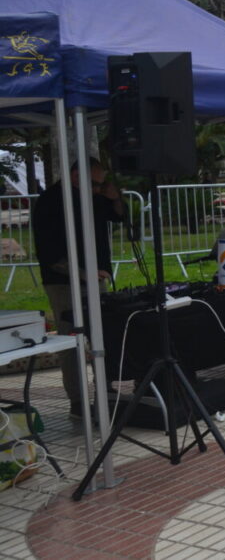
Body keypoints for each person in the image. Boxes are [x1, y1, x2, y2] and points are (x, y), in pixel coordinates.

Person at [32, 157, 124, 418]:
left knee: (102, 335)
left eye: (101, 183)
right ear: (75, 177)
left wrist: (114, 196)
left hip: (95, 278)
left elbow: (118, 217)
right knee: (71, 341)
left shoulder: (92, 197)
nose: (98, 188)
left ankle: (104, 388)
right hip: (64, 282)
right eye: (95, 183)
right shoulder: (51, 201)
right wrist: (83, 273)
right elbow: (50, 252)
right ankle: (77, 399)